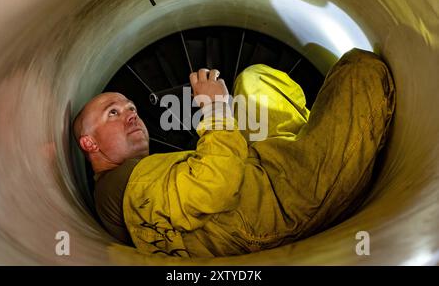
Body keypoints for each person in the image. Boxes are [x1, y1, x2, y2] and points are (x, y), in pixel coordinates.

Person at [73, 48, 395, 257]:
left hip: (259, 169)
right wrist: (215, 109)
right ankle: (341, 156)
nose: (131, 114)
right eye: (113, 113)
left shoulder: (130, 182)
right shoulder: (127, 184)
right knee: (361, 70)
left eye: (131, 107)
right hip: (286, 199)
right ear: (90, 144)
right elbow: (215, 184)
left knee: (254, 79)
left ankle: (316, 139)